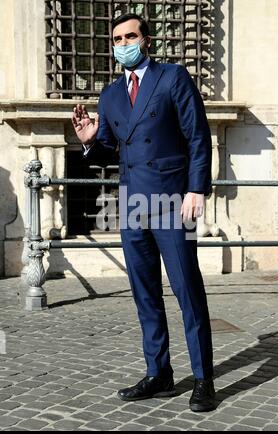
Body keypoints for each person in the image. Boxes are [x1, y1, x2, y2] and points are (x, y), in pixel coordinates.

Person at [72, 13, 215, 412]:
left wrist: (195, 188)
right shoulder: (112, 95)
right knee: (145, 293)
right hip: (134, 203)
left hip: (172, 201)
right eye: (117, 39)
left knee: (187, 290)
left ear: (146, 40)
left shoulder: (172, 77)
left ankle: (204, 378)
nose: (123, 44)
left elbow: (197, 136)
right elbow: (107, 148)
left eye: (130, 36)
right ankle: (160, 373)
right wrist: (88, 140)